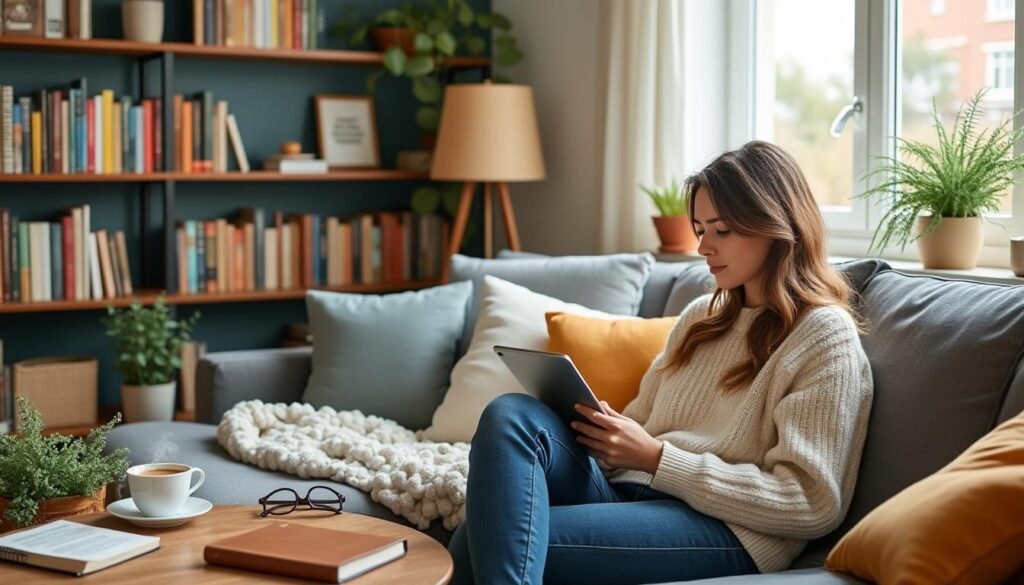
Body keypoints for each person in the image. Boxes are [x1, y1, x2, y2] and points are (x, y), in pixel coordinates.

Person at [448, 141, 875, 585]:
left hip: (731, 530)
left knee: (472, 541)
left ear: (777, 226)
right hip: (632, 492)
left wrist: (658, 459)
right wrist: (609, 434)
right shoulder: (700, 318)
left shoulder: (823, 335)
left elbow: (811, 503)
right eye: (700, 229)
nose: (704, 246)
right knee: (511, 414)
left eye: (722, 230)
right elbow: (642, 429)